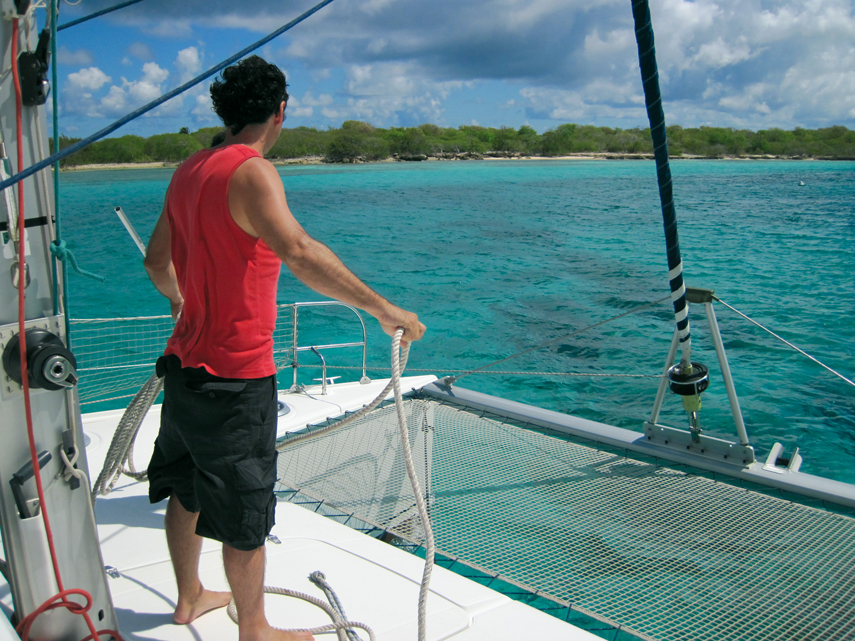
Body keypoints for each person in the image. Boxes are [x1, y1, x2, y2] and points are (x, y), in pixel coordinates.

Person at [144, 55, 425, 641]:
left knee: (187, 488)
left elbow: (156, 263)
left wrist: (182, 302)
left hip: (185, 365)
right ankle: (255, 629)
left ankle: (190, 597)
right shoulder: (251, 172)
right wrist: (385, 311)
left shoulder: (189, 169)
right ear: (279, 113)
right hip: (236, 376)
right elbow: (298, 251)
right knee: (244, 512)